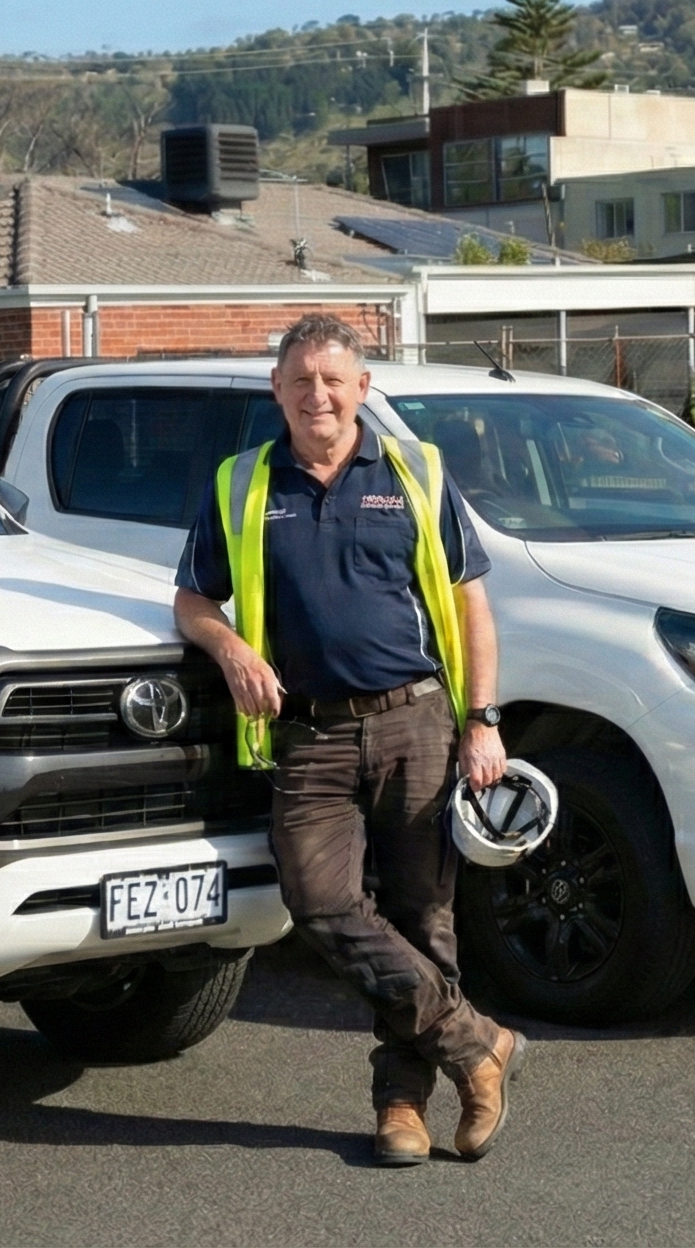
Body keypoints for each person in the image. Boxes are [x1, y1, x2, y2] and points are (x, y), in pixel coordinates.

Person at [175, 313, 527, 1167]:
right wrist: (231, 650)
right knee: (320, 903)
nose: (317, 396)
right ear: (276, 390)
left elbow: (472, 603)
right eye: (300, 380)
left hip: (416, 719)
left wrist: (483, 721)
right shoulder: (241, 483)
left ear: (362, 388)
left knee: (423, 916)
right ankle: (476, 1042)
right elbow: (193, 600)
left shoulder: (415, 471)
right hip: (309, 732)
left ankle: (401, 1107)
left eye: (333, 380)